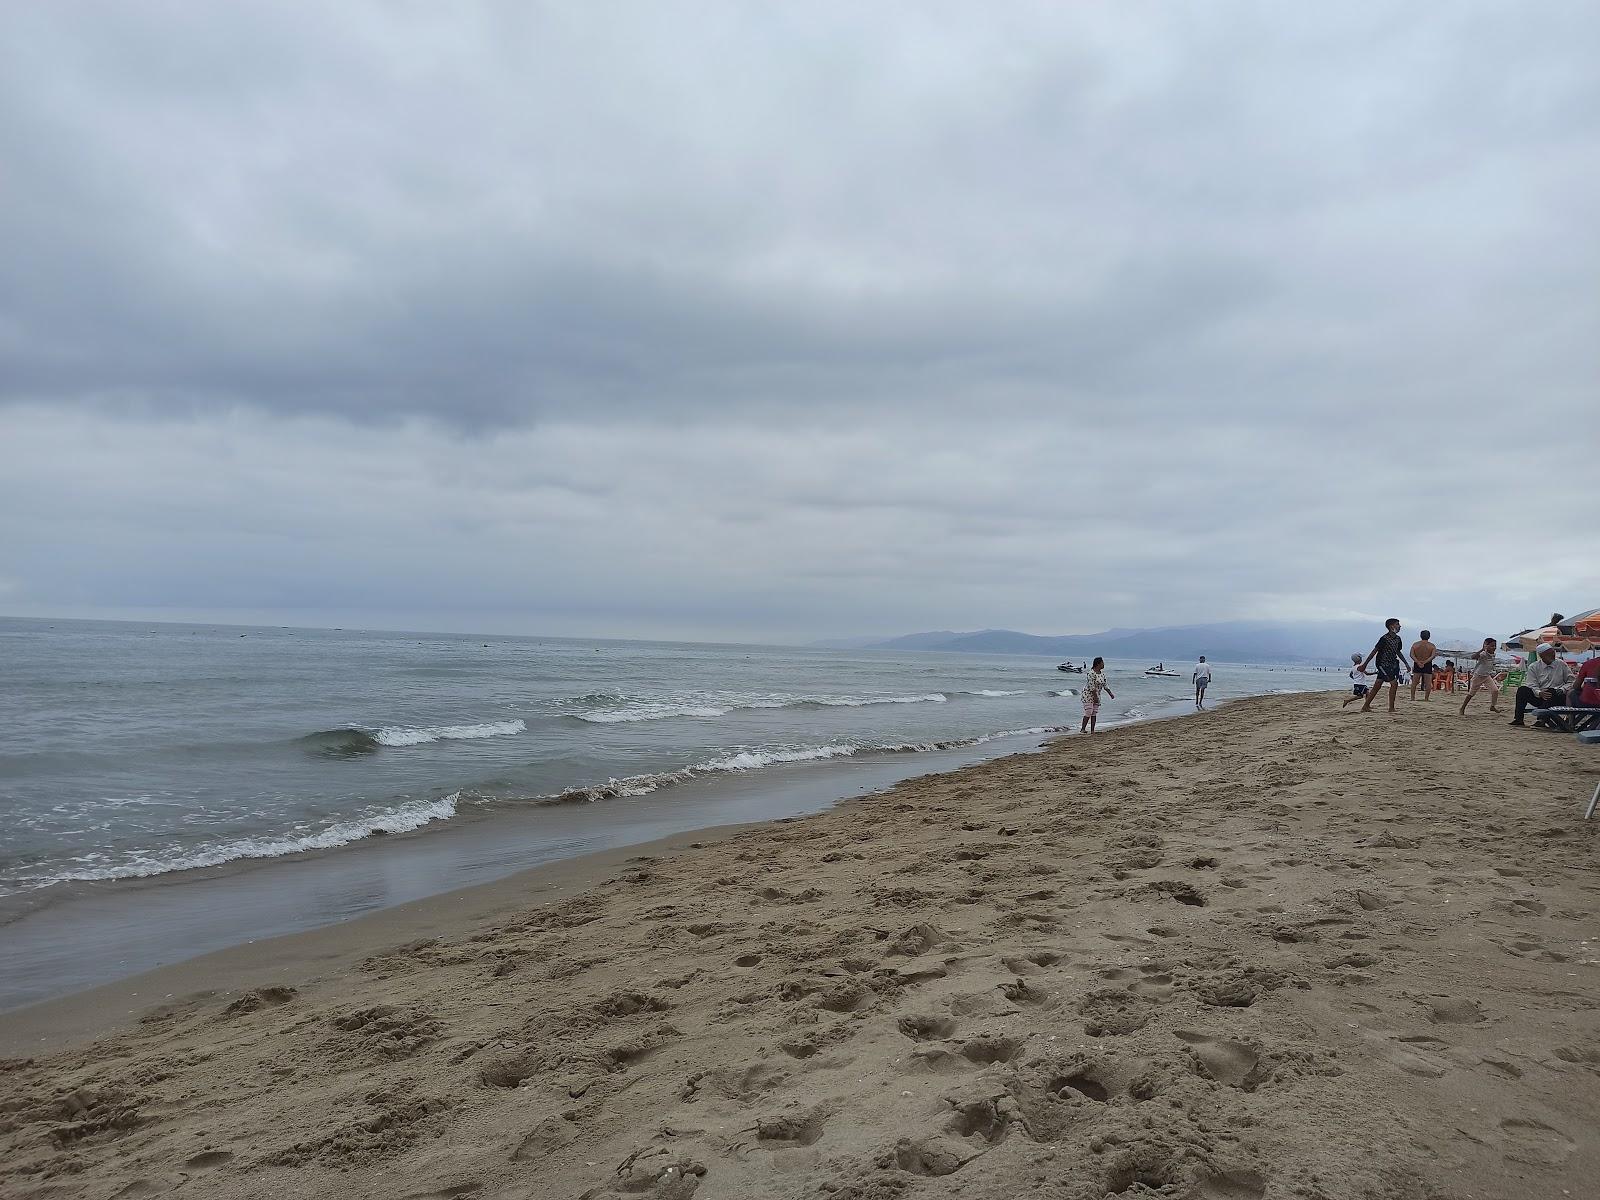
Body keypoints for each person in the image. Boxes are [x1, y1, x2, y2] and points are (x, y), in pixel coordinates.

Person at [1509, 643, 1574, 727]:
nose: (1553, 655)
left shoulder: (1561, 664)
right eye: (1550, 654)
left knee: (1551, 691)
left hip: (1557, 696)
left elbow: (1571, 681)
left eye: (1553, 652)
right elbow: (1531, 684)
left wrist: (1562, 689)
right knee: (1522, 690)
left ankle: (1541, 719)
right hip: (1540, 697)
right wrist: (1539, 693)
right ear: (1542, 655)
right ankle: (1518, 719)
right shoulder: (1534, 667)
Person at [1357, 618, 1407, 713]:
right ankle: (1391, 708)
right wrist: (1364, 665)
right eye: (1397, 624)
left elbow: (1398, 652)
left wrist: (1406, 664)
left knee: (1377, 685)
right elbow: (1374, 651)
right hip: (1382, 665)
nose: (1400, 626)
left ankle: (1365, 706)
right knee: (1394, 684)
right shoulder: (1384, 638)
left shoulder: (1398, 639)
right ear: (1392, 626)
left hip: (1392, 665)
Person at [1458, 637, 1503, 715]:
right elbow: (1473, 657)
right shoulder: (1483, 654)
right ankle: (1462, 708)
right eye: (1492, 646)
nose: (1494, 647)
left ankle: (1492, 706)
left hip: (1486, 676)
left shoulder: (1493, 654)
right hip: (1478, 676)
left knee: (1495, 690)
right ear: (1486, 646)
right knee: (1471, 693)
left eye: (1495, 646)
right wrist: (1482, 649)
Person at [1080, 657, 1114, 735]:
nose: (1103, 664)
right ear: (1098, 664)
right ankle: (1083, 729)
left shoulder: (1102, 674)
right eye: (1102, 663)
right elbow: (1091, 687)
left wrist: (1110, 694)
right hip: (1088, 694)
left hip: (1097, 694)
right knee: (1089, 711)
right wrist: (1095, 697)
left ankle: (1092, 730)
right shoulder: (1091, 673)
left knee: (1094, 712)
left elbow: (1105, 685)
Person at [1409, 629, 1437, 701]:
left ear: (1420, 636)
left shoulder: (1415, 644)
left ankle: (1412, 698)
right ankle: (1426, 698)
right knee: (1428, 683)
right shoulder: (1431, 645)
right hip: (1427, 664)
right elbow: (1432, 656)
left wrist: (1418, 662)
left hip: (1417, 664)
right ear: (1429, 636)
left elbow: (1411, 655)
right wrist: (1424, 662)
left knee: (1414, 682)